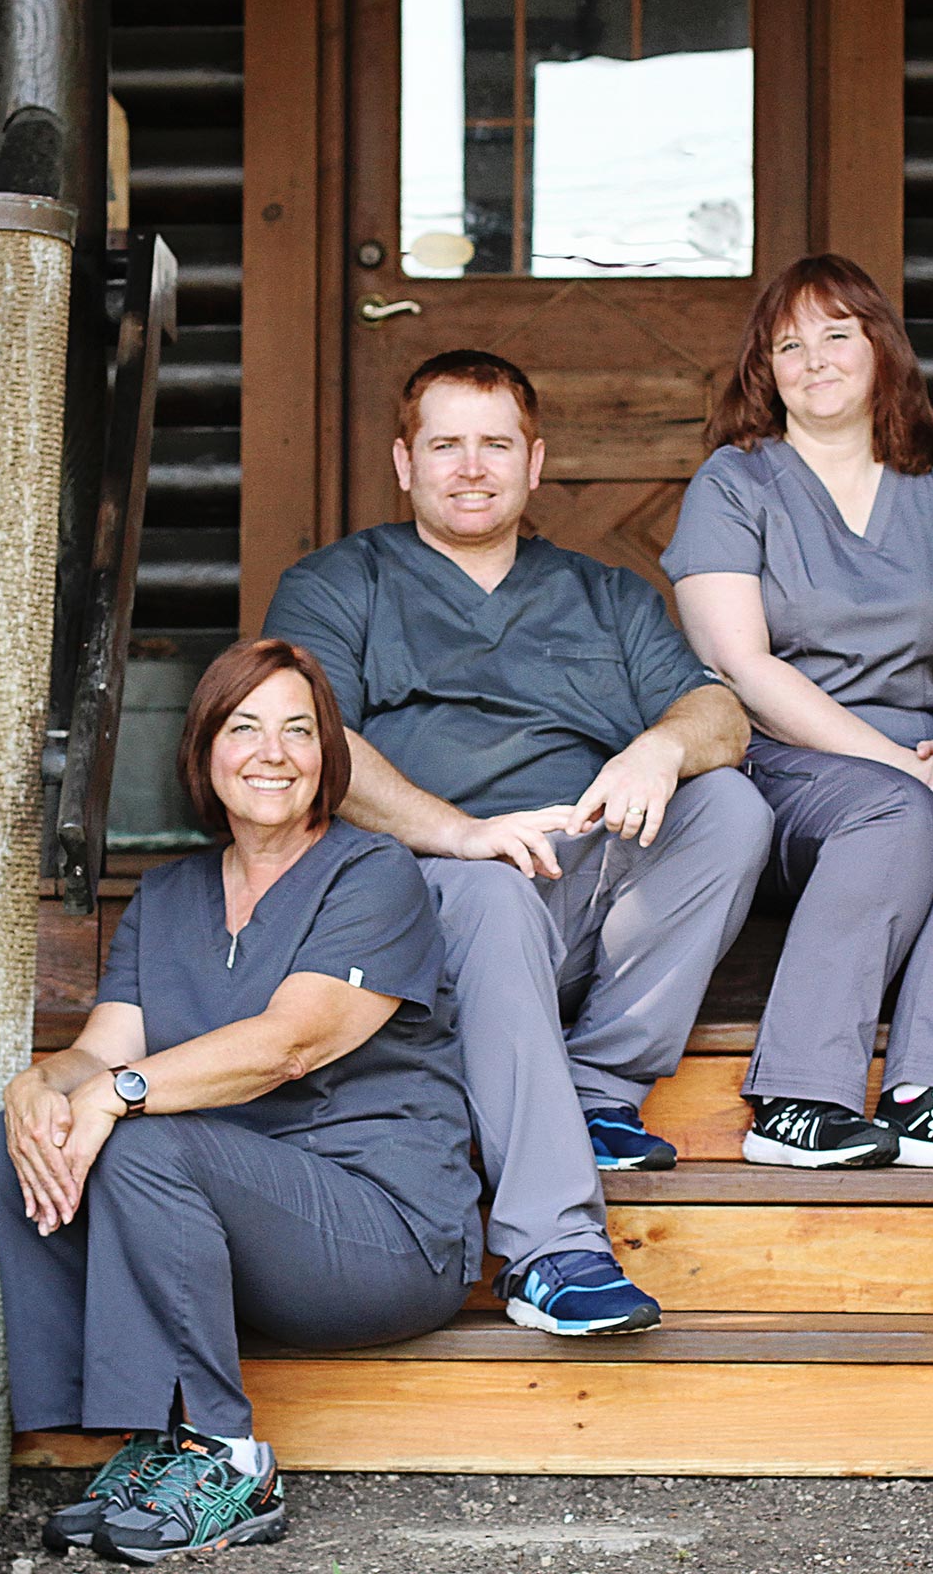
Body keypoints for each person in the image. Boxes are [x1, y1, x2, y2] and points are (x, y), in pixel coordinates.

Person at [262, 349, 771, 1337]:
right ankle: (551, 1249)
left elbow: (723, 713)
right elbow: (308, 740)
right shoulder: (338, 582)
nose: (469, 467)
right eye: (444, 444)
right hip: (416, 888)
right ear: (403, 462)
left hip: (577, 883)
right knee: (488, 887)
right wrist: (461, 834)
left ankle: (597, 1087)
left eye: (494, 444)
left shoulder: (602, 594)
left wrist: (661, 749)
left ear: (534, 464)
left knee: (734, 806)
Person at [0, 638, 481, 1563]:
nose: (272, 753)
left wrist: (118, 1096)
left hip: (382, 1231)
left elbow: (294, 1042)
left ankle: (228, 1457)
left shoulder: (375, 875)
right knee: (10, 1143)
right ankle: (143, 1438)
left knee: (140, 1137)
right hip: (235, 1235)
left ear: (329, 755)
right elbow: (103, 1049)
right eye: (244, 729)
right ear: (205, 750)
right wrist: (38, 1087)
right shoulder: (168, 896)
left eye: (298, 730)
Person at [660, 253, 933, 1171]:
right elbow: (742, 663)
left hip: (919, 755)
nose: (815, 360)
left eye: (837, 335)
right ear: (767, 370)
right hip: (784, 757)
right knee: (898, 811)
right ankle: (798, 1100)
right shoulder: (735, 482)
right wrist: (897, 764)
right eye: (789, 344)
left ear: (880, 350)